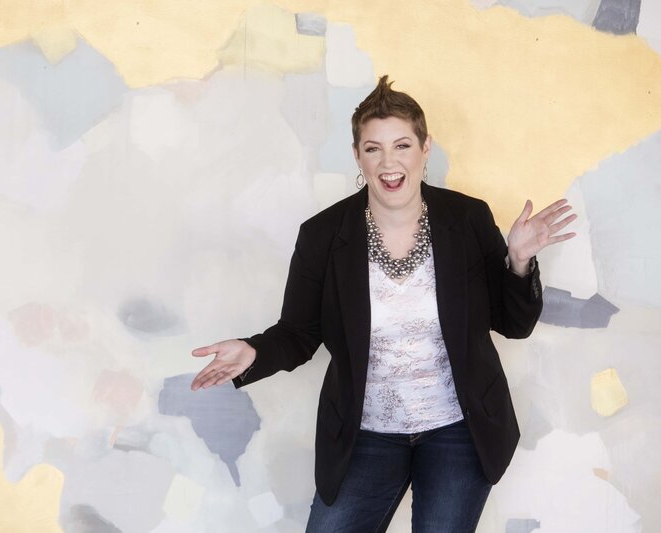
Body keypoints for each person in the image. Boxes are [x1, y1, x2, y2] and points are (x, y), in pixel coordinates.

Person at [190, 75, 576, 532]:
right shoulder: (322, 235)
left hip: (459, 428)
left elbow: (513, 325)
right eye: (373, 148)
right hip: (364, 433)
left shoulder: (467, 219)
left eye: (402, 145)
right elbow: (299, 333)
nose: (389, 162)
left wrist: (518, 260)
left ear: (425, 148)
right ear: (357, 155)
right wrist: (254, 351)